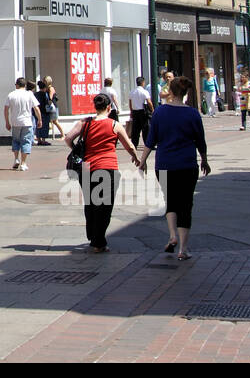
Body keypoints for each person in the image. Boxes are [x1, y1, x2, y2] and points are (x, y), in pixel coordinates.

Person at [136, 76, 210, 261]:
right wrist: (205, 160)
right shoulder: (193, 114)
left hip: (164, 164)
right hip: (186, 165)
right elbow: (200, 141)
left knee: (170, 200)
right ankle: (183, 249)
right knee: (186, 204)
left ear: (170, 91)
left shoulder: (160, 112)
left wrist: (142, 161)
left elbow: (150, 140)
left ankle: (172, 235)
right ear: (187, 92)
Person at [65, 92, 139, 253]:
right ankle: (98, 241)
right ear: (108, 107)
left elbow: (68, 138)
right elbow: (129, 145)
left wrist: (77, 150)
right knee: (104, 205)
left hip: (86, 167)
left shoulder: (85, 123)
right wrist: (135, 157)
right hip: (107, 166)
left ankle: (93, 235)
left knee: (90, 202)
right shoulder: (114, 125)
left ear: (95, 106)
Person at [4, 77, 41, 171]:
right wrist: (39, 120)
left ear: (17, 85)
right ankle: (23, 163)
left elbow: (6, 109)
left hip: (15, 122)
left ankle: (16, 159)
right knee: (26, 141)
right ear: (25, 85)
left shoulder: (11, 95)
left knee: (16, 141)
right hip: (27, 122)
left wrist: (7, 122)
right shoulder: (29, 94)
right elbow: (36, 108)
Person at [127, 76, 153, 144]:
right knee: (145, 128)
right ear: (143, 83)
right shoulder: (144, 92)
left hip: (135, 111)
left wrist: (131, 111)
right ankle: (147, 143)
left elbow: (130, 103)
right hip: (143, 111)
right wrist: (152, 110)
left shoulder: (132, 91)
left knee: (135, 128)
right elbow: (149, 102)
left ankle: (134, 143)